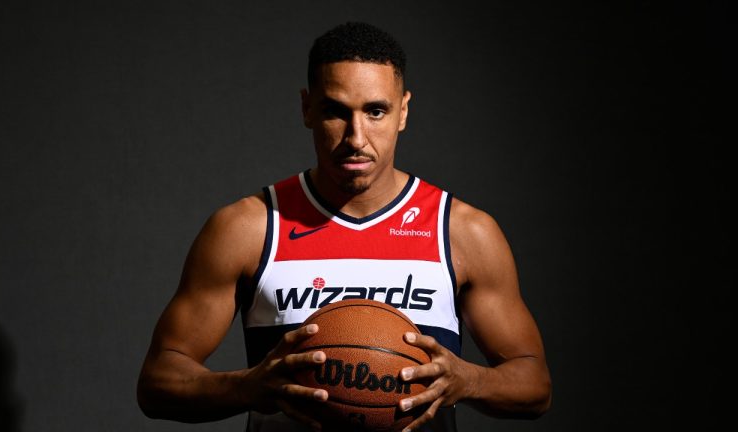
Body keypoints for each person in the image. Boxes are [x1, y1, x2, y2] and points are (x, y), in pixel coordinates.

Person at [137, 22, 551, 432]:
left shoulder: (461, 231)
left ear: (403, 111)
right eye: (335, 111)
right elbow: (158, 382)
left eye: (375, 111)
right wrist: (246, 387)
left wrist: (469, 380)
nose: (356, 137)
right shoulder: (250, 228)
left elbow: (535, 386)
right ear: (307, 109)